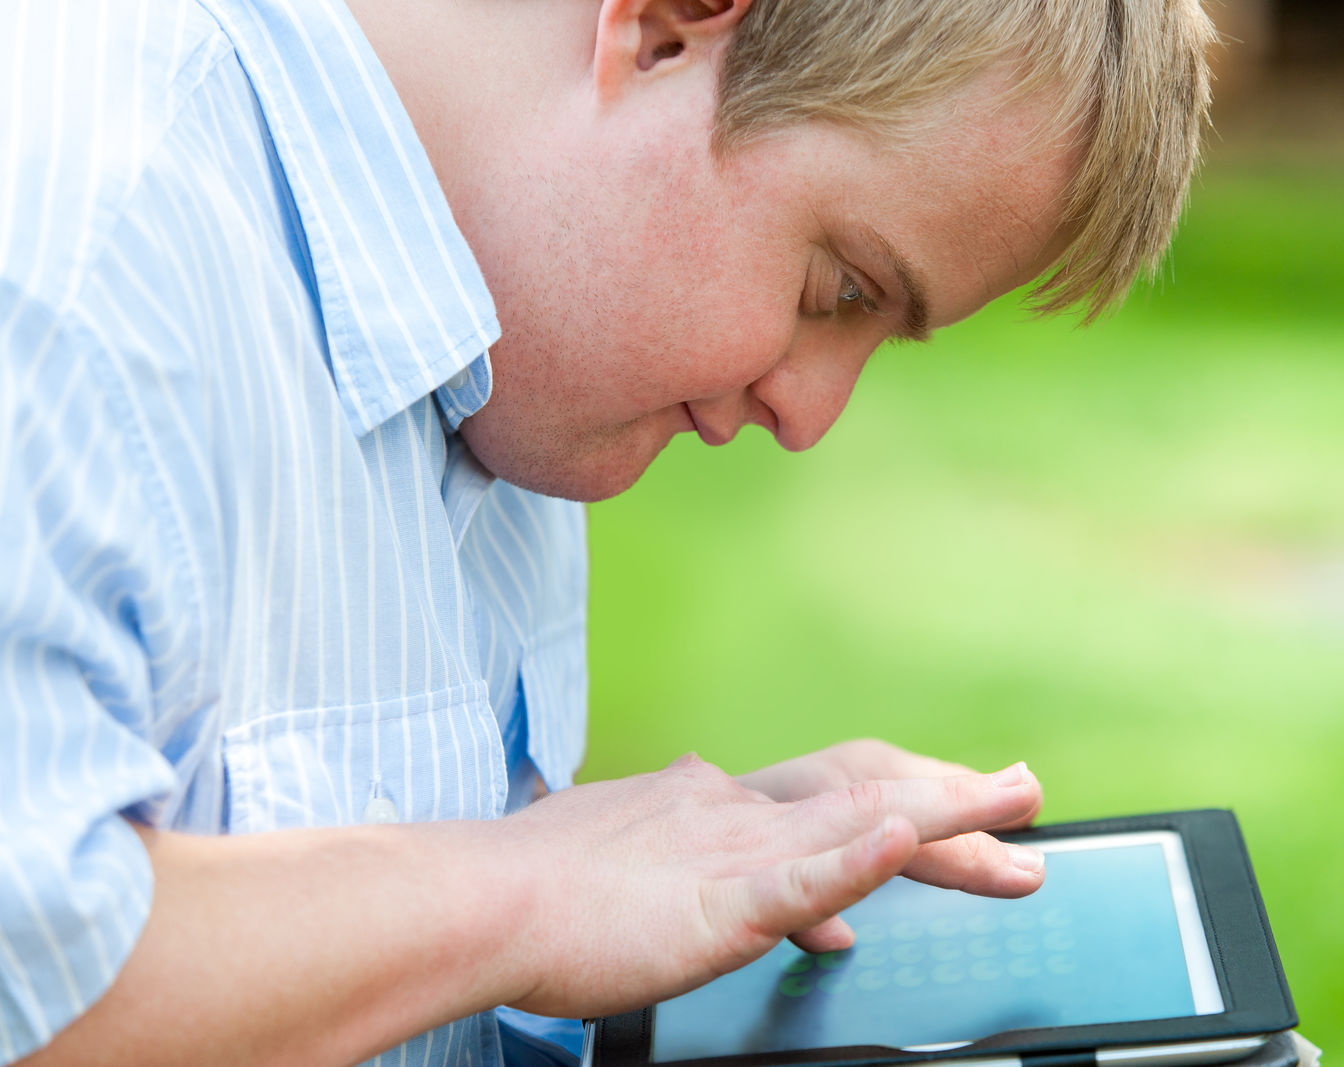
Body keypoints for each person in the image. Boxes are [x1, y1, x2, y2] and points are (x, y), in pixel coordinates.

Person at [0, 0, 1213, 1063]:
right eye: (835, 288)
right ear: (665, 27)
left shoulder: (525, 347)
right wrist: (528, 892)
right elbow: (31, 981)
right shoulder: (73, 248)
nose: (810, 413)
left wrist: (675, 871)